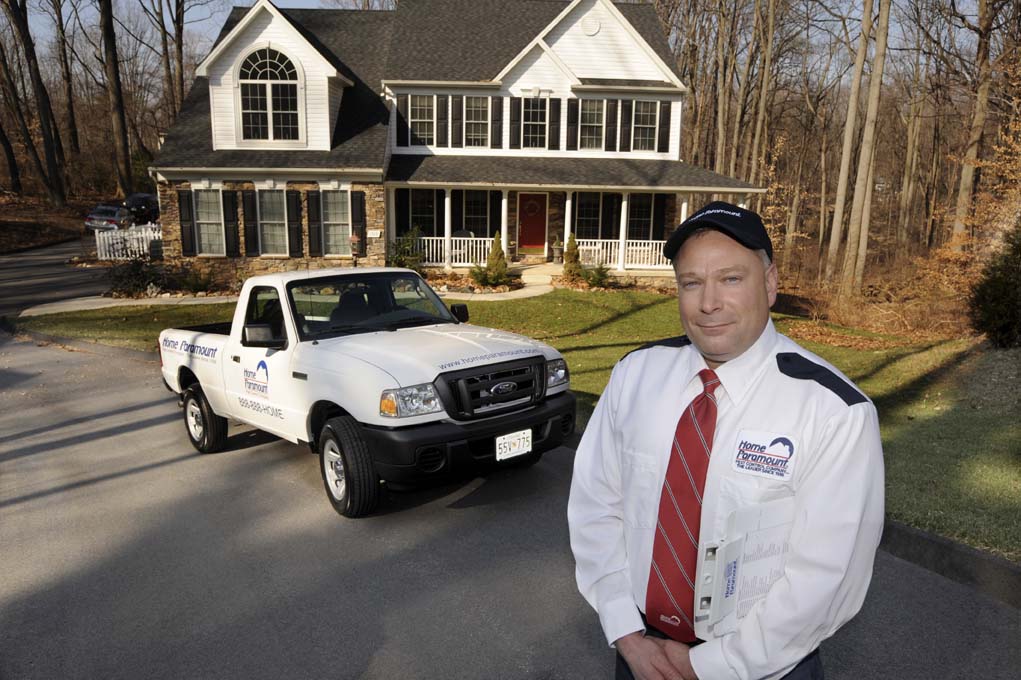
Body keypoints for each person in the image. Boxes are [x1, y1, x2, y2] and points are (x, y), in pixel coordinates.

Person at [567, 201, 884, 680]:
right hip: (641, 654)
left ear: (771, 282)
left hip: (761, 668)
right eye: (691, 282)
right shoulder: (636, 377)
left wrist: (710, 666)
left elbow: (824, 578)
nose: (708, 303)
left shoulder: (833, 411)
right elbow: (596, 508)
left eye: (731, 279)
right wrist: (625, 632)